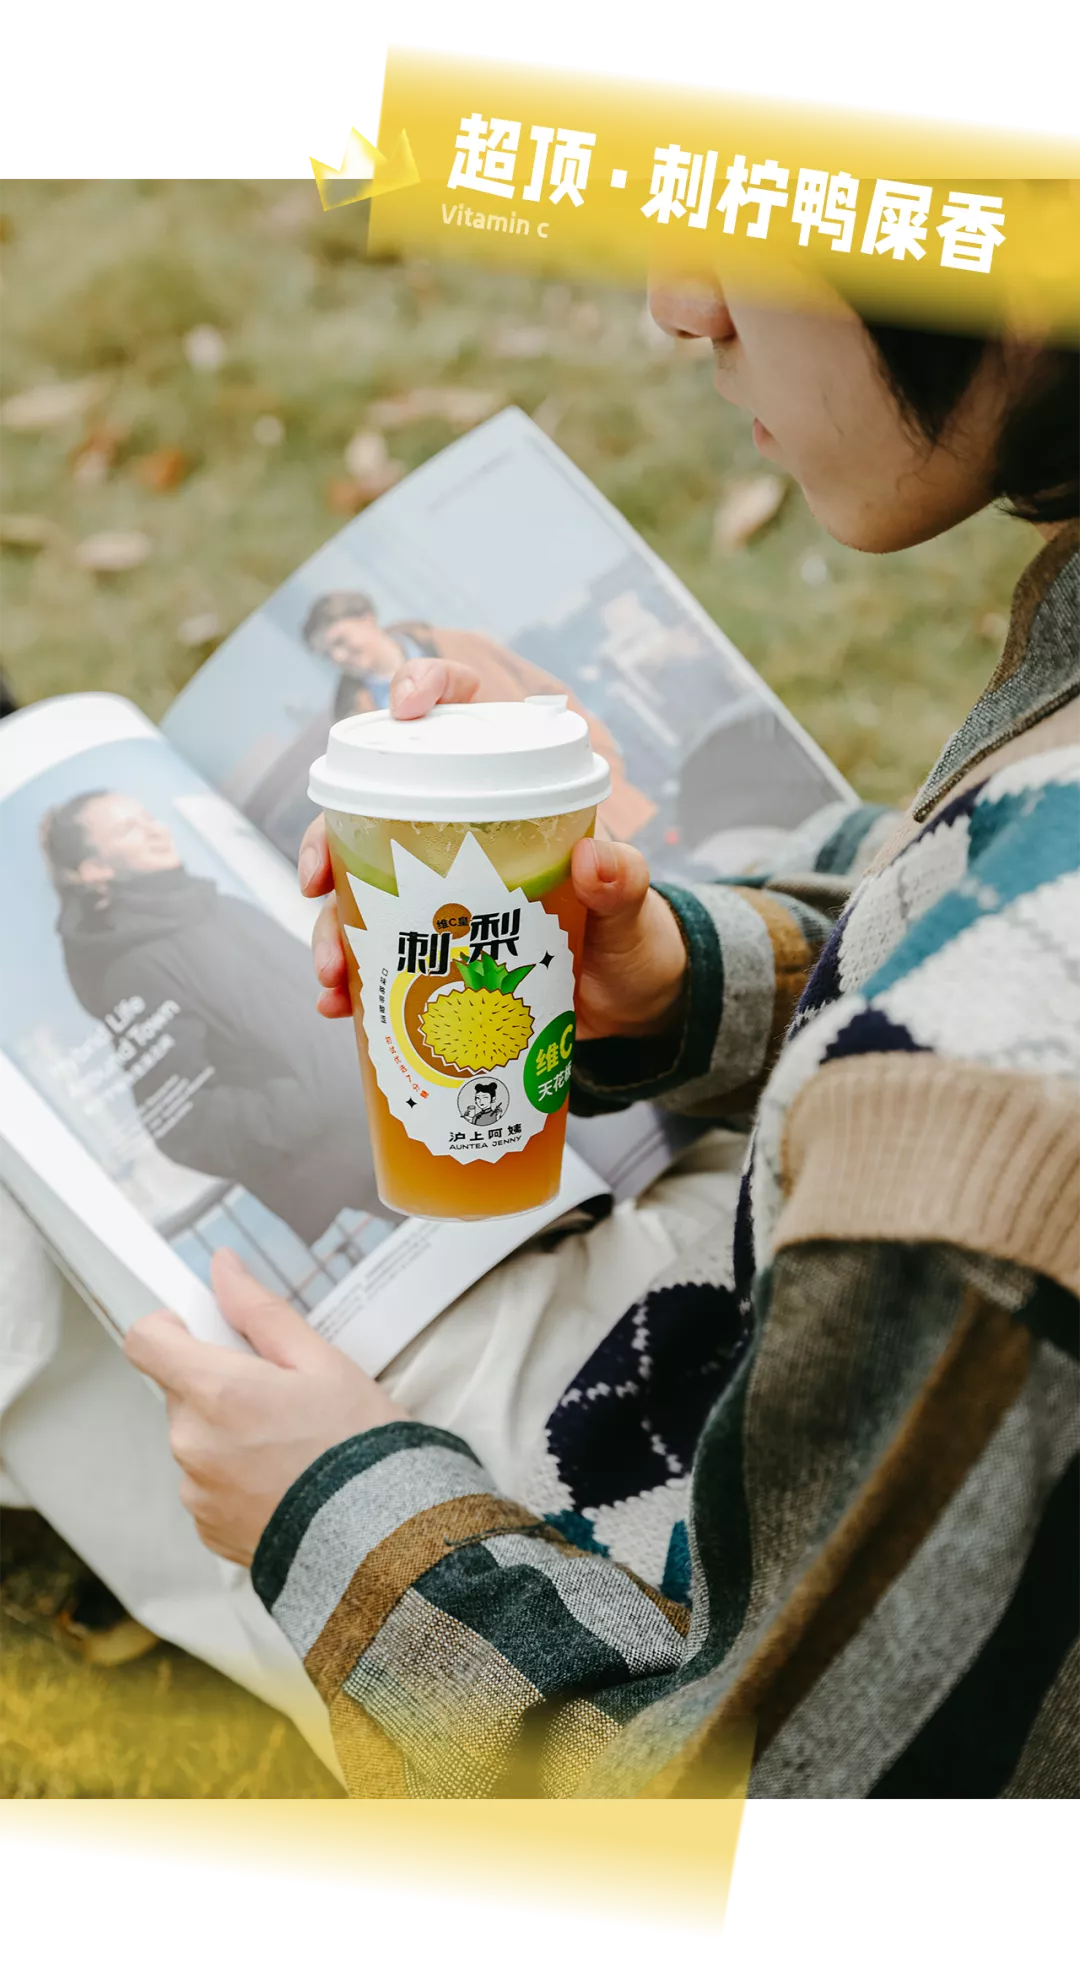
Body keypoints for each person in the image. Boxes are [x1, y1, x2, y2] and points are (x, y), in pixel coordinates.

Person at [117, 278, 1080, 1800]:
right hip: (799, 1333)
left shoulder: (992, 1136)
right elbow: (947, 889)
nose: (679, 303)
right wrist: (677, 971)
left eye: (754, 208)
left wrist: (339, 1516)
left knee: (145, 1336)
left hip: (697, 1538)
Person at [39, 791, 381, 1245]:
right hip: (351, 1169)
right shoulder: (132, 968)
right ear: (95, 870)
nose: (154, 829)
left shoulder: (217, 906)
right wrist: (309, 1103)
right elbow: (182, 1125)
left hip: (394, 1107)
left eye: (148, 816)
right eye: (127, 829)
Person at [302, 591, 658, 842]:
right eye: (327, 653)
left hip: (587, 800)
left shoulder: (459, 643)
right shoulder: (354, 722)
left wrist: (601, 760)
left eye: (340, 641)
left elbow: (550, 693)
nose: (339, 656)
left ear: (368, 620)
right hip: (509, 843)